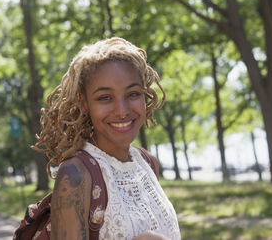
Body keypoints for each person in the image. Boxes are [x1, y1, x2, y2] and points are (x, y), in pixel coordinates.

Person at [32, 37, 180, 240]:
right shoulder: (76, 175)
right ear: (85, 104)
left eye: (133, 94)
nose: (121, 111)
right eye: (105, 98)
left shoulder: (148, 163)